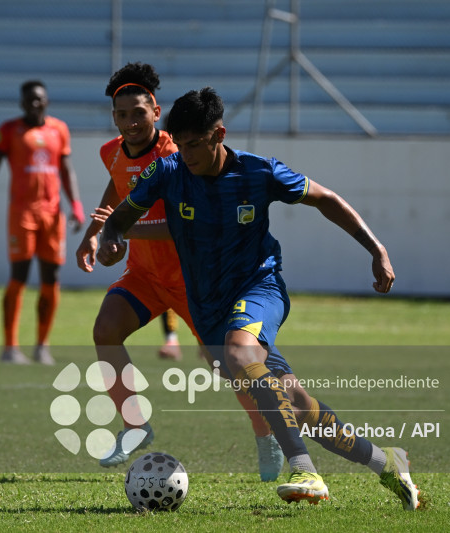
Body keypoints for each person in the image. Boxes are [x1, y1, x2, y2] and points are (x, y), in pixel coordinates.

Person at [97, 87, 420, 510]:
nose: (186, 154)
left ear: (219, 135)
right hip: (208, 309)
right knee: (297, 405)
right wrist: (110, 239)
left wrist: (376, 249)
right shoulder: (168, 171)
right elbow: (120, 217)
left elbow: (325, 200)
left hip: (259, 287)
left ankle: (304, 469)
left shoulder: (259, 171)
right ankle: (386, 461)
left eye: (195, 144)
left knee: (239, 352)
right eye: (182, 143)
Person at [76, 64, 283, 479]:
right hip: (145, 275)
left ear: (156, 111)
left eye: (139, 112)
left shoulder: (177, 154)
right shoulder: (111, 151)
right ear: (113, 118)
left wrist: (126, 229)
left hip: (193, 280)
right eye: (122, 115)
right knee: (105, 330)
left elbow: (187, 223)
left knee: (223, 364)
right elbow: (119, 187)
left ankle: (267, 435)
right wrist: (95, 233)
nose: (131, 122)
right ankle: (134, 425)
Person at [0, 80, 85, 365]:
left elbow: (66, 169)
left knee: (51, 279)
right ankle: (10, 347)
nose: (34, 103)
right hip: (22, 214)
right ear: (21, 103)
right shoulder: (9, 130)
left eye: (39, 99)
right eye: (29, 99)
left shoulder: (59, 129)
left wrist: (76, 205)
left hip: (52, 215)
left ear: (47, 101)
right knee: (18, 277)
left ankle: (42, 346)